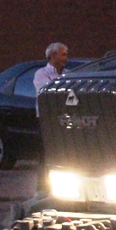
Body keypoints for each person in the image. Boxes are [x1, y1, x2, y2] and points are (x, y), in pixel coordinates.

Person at [34, 42, 69, 193]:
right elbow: (47, 93)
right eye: (63, 55)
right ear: (52, 55)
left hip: (64, 119)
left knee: (64, 154)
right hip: (47, 120)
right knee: (46, 155)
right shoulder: (41, 74)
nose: (66, 58)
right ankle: (42, 189)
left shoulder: (68, 73)